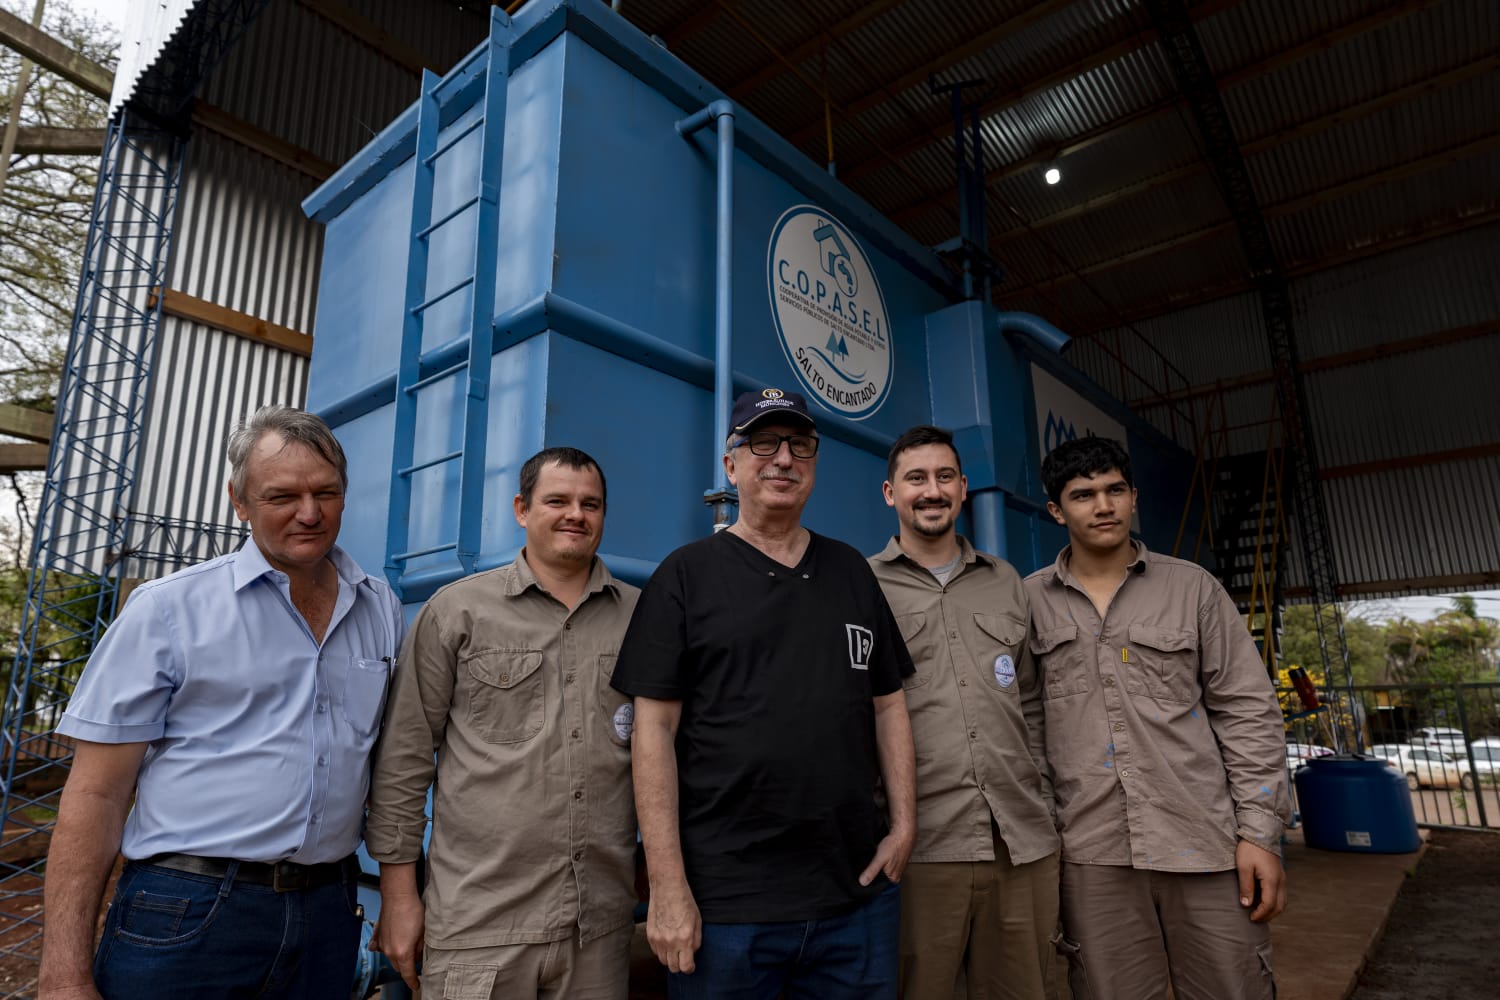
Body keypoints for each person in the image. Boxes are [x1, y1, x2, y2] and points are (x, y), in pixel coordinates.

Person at [39, 405, 404, 1000]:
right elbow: (96, 794)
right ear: (239, 501)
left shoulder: (379, 608)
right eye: (282, 495)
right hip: (188, 913)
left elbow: (390, 765)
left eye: (326, 492)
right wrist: (62, 976)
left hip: (329, 913)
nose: (309, 514)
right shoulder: (167, 610)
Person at [611, 387, 917, 1000]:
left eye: (799, 445)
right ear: (731, 464)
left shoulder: (852, 571)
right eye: (762, 443)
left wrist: (905, 824)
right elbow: (654, 733)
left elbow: (888, 704)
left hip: (855, 900)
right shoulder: (686, 575)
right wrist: (667, 888)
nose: (783, 459)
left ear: (815, 460)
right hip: (728, 912)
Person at [365, 447, 640, 1000]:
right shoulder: (458, 613)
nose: (575, 515)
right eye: (557, 500)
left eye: (591, 504)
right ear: (521, 508)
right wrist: (399, 898)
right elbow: (404, 759)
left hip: (600, 928)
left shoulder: (643, 616)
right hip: (480, 926)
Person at [1023, 436, 1292, 1000]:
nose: (1103, 506)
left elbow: (1248, 713)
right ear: (1056, 510)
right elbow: (1026, 732)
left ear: (1134, 497)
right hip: (1090, 854)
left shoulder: (1192, 589)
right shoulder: (1027, 604)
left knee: (1235, 988)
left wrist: (1261, 836)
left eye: (1115, 490)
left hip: (1204, 844)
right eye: (1083, 494)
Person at [868, 425, 1060, 1000]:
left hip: (1020, 844)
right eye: (916, 478)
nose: (932, 490)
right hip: (921, 850)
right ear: (889, 493)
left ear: (964, 487)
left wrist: (1044, 806)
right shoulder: (861, 586)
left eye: (945, 476)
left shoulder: (1005, 582)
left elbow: (1029, 701)